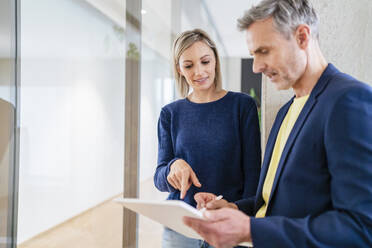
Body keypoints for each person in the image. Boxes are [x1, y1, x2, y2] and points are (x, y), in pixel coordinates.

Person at [183, 0, 372, 247]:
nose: (256, 66)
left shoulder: (347, 100)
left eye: (264, 51)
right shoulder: (285, 112)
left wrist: (251, 230)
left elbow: (360, 227)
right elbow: (271, 202)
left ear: (302, 37)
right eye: (253, 55)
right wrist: (233, 208)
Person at [153, 29, 262, 248]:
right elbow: (159, 178)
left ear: (215, 61)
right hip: (180, 228)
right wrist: (174, 165)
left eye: (205, 61)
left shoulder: (242, 107)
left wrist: (232, 207)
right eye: (189, 65)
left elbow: (254, 180)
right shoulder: (170, 114)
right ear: (179, 69)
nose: (199, 72)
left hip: (226, 226)